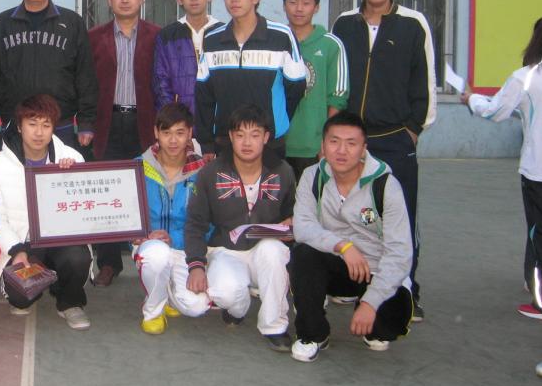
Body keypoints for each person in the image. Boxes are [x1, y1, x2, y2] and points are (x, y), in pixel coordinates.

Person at [332, 0, 436, 319]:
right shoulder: (345, 23)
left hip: (394, 136)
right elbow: (337, 77)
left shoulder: (412, 24)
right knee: (350, 213)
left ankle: (406, 289)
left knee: (398, 215)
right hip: (351, 139)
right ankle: (353, 283)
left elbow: (424, 79)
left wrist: (414, 129)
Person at [290, 111, 414, 362]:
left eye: (351, 143)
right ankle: (312, 334)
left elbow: (400, 253)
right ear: (323, 145)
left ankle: (367, 305)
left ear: (364, 148)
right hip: (337, 262)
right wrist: (343, 246)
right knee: (303, 254)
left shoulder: (385, 186)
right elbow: (302, 227)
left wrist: (371, 302)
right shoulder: (312, 176)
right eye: (334, 141)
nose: (341, 151)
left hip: (375, 269)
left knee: (384, 329)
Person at [184, 104, 296, 351]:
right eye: (240, 134)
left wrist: (292, 222)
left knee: (274, 251)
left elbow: (293, 213)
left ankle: (275, 326)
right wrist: (196, 265)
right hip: (225, 250)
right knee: (225, 293)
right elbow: (195, 223)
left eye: (255, 134)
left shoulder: (283, 171)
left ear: (266, 137)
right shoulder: (211, 173)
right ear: (231, 137)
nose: (247, 142)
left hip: (264, 250)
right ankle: (238, 307)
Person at [0, 94, 92, 330]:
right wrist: (17, 251)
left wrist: (70, 177)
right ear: (19, 126)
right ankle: (34, 280)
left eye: (46, 125)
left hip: (59, 241)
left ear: (54, 127)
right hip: (21, 243)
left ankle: (70, 302)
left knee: (76, 258)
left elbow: (85, 212)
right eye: (32, 124)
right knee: (21, 298)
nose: (39, 132)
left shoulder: (72, 158)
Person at [462, 17, 542, 319]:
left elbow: (496, 111)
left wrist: (471, 99)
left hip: (537, 169)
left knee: (538, 230)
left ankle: (539, 301)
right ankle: (531, 279)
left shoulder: (526, 78)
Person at [0, 0, 98, 153]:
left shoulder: (72, 23)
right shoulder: (2, 24)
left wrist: (86, 121)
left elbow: (85, 75)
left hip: (61, 125)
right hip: (15, 124)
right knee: (15, 173)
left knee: (60, 172)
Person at [88, 0, 161, 287]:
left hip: (147, 124)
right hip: (108, 123)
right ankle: (108, 262)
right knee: (108, 190)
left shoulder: (158, 36)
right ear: (109, 1)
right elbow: (86, 84)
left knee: (149, 190)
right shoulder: (94, 37)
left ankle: (154, 257)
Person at [195, 0, 306, 158]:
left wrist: (274, 120)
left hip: (269, 141)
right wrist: (206, 143)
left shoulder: (281, 36)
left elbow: (296, 87)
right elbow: (204, 94)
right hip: (225, 139)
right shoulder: (212, 40)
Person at [132, 103, 210, 334]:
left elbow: (210, 223)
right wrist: (140, 235)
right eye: (166, 133)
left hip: (187, 247)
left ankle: (168, 293)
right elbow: (123, 212)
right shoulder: (137, 166)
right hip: (149, 244)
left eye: (180, 133)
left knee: (197, 307)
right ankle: (153, 311)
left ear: (190, 133)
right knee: (157, 255)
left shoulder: (204, 172)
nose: (173, 140)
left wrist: (174, 238)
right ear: (156, 133)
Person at [282, 0, 349, 177]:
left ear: (316, 7)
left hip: (314, 146)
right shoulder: (275, 41)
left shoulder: (331, 44)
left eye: (306, 3)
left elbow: (338, 97)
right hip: (278, 144)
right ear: (284, 6)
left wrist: (329, 141)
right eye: (293, 2)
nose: (299, 9)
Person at [152, 0, 222, 116]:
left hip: (217, 116)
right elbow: (161, 81)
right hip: (180, 117)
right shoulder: (168, 35)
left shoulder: (223, 32)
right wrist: (172, 117)